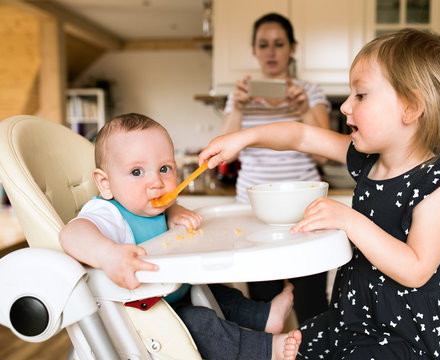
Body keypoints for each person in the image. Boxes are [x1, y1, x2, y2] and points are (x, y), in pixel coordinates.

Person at [199, 28, 440, 359]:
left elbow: (417, 269)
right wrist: (243, 138)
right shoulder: (368, 161)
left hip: (409, 330)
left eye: (361, 95)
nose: (347, 106)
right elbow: (301, 136)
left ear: (411, 107)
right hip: (358, 316)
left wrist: (349, 221)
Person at [59, 113, 301, 360]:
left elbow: (156, 216)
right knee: (200, 324)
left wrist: (174, 211)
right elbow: (72, 234)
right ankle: (266, 349)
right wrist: (107, 254)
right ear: (106, 184)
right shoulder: (108, 213)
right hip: (141, 315)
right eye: (136, 172)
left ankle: (264, 316)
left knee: (218, 290)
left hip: (171, 296)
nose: (156, 182)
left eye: (164, 168)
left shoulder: (151, 206)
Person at [224, 12, 331, 323]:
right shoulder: (241, 94)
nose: (271, 52)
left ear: (292, 48)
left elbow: (324, 155)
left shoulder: (309, 92)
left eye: (279, 44)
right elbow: (227, 154)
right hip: (253, 210)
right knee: (263, 302)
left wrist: (303, 109)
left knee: (311, 301)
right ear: (254, 50)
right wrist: (239, 107)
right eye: (263, 45)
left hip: (305, 209)